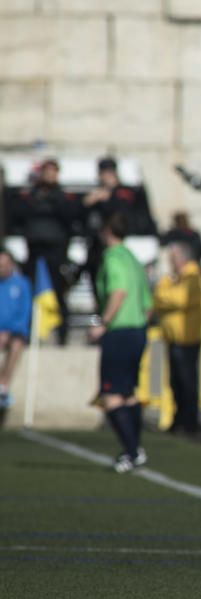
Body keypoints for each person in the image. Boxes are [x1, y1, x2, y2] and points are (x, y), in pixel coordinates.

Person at [90, 213, 152, 473]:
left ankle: (130, 451)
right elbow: (148, 304)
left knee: (112, 394)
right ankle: (136, 448)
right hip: (138, 330)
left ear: (107, 231)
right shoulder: (133, 258)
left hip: (119, 331)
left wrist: (103, 322)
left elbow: (118, 291)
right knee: (127, 393)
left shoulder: (113, 256)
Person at [12, 158, 78, 346]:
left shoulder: (63, 197)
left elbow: (69, 217)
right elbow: (19, 215)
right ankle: (31, 334)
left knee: (58, 295)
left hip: (56, 253)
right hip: (34, 253)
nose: (50, 176)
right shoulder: (32, 196)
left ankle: (62, 336)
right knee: (31, 294)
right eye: (47, 172)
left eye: (53, 172)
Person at [152, 241, 201, 435]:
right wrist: (166, 294)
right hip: (173, 337)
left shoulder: (193, 276)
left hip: (187, 337)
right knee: (175, 381)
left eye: (173, 259)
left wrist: (165, 295)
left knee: (187, 381)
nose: (171, 263)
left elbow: (180, 299)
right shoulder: (174, 279)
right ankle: (178, 419)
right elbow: (158, 297)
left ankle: (189, 421)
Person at [82, 157, 137, 304]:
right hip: (97, 246)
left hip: (116, 244)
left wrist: (108, 198)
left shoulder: (122, 192)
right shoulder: (97, 193)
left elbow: (123, 214)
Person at [0, 250, 31, 409]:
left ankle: (3, 386)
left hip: (14, 332)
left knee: (16, 345)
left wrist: (7, 331)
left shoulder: (22, 284)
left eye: (4, 265)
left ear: (11, 264)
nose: (1, 268)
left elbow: (24, 314)